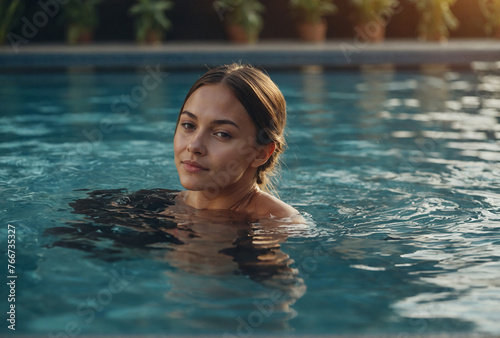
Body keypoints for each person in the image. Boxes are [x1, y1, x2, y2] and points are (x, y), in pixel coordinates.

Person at [172, 63, 300, 220]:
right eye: (188, 125)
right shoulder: (147, 206)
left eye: (222, 134)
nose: (193, 146)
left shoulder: (279, 224)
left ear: (261, 153)